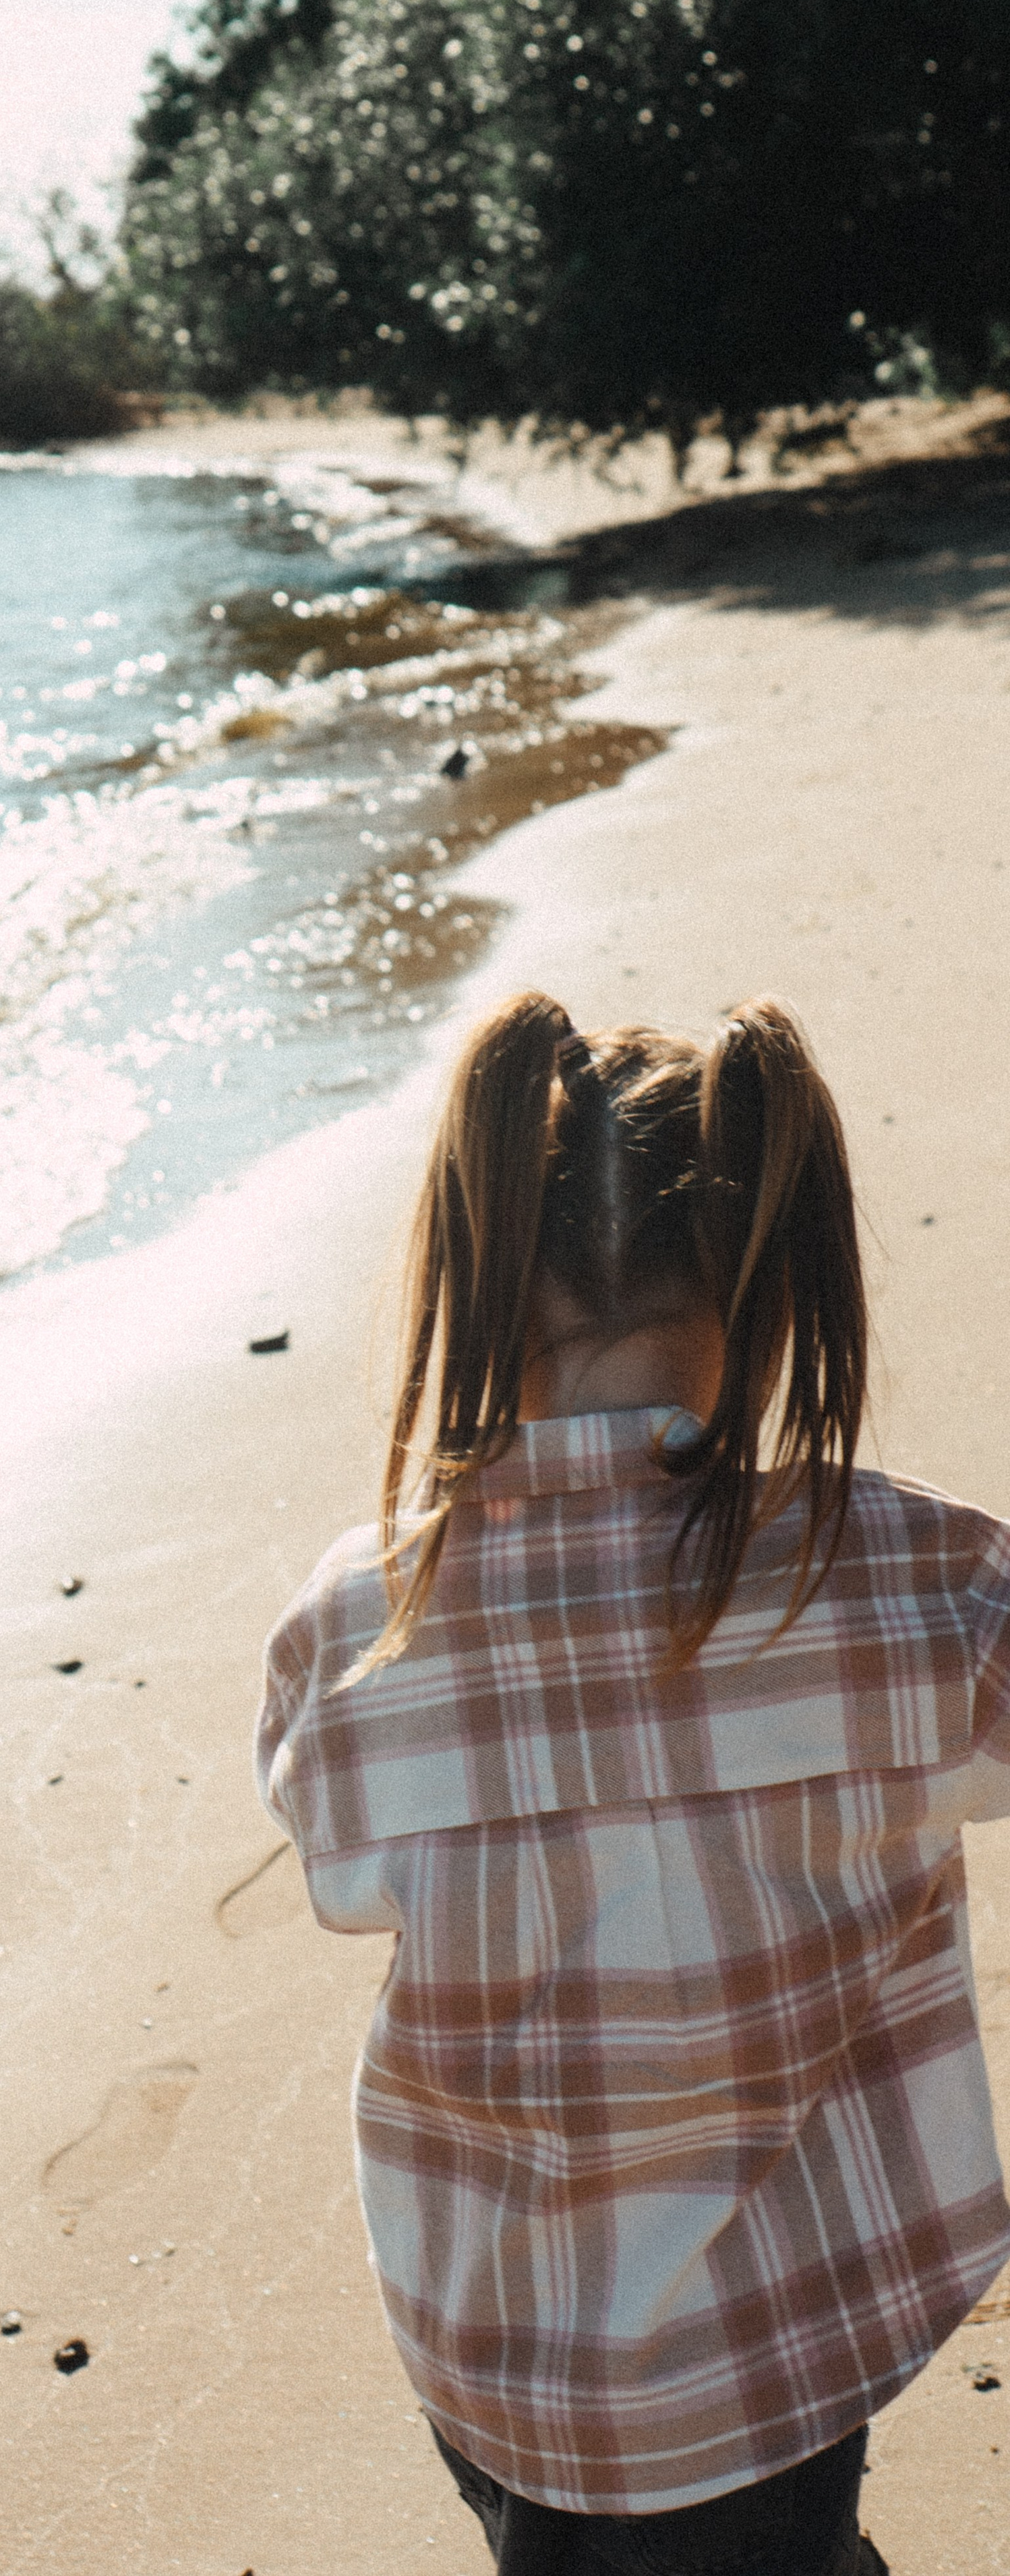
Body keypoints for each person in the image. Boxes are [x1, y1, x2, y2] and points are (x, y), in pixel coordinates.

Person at [256, 992, 1010, 2575]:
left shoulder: (359, 1623)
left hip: (501, 2352)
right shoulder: (902, 1579)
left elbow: (335, 1873)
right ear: (770, 1287)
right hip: (779, 2345)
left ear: (480, 1281)